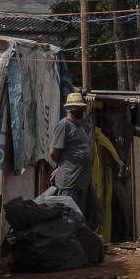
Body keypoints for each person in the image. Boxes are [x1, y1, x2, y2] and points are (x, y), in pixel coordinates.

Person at [51, 93, 99, 230]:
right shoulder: (64, 125)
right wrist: (62, 166)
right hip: (69, 182)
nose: (80, 111)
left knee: (79, 218)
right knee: (67, 217)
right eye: (76, 108)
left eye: (81, 108)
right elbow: (53, 152)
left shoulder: (79, 127)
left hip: (81, 182)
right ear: (69, 109)